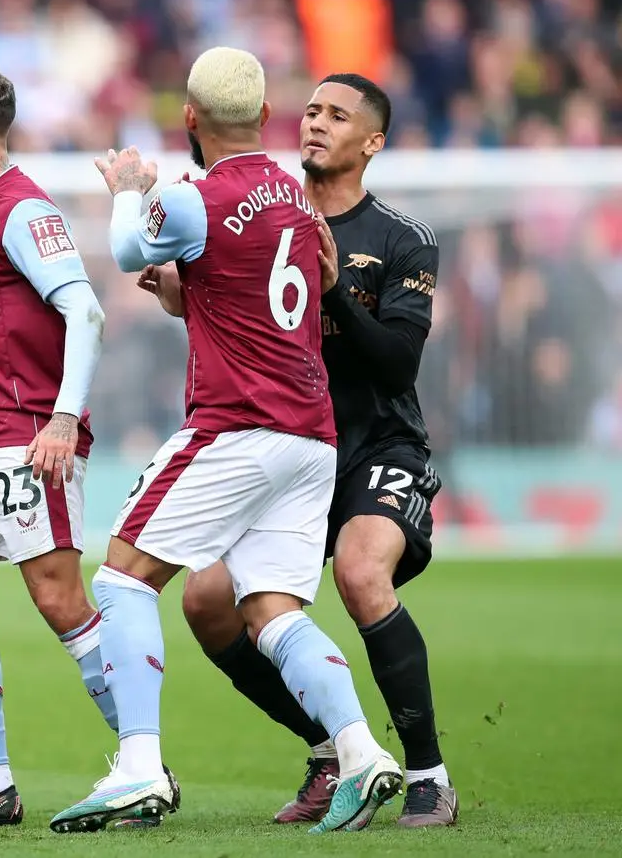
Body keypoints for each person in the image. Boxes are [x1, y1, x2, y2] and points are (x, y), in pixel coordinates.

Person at [51, 47, 402, 835]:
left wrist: (129, 191)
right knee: (273, 610)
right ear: (268, 116)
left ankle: (138, 768)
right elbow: (266, 292)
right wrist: (188, 289)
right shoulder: (294, 196)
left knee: (123, 578)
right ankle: (361, 751)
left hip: (238, 422)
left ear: (190, 117)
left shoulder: (190, 198)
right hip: (312, 437)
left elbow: (128, 251)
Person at [175, 73, 455, 827]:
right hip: (283, 444)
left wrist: (333, 290)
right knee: (204, 601)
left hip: (374, 447)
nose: (316, 124)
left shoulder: (402, 239)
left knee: (363, 573)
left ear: (372, 142)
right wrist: (175, 288)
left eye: (338, 116)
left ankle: (429, 774)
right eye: (310, 111)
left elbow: (398, 364)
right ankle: (335, 751)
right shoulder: (266, 211)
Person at [0, 58, 147, 828]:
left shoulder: (21, 210)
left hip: (24, 443)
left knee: (58, 599)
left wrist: (61, 418)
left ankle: (142, 764)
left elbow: (84, 312)